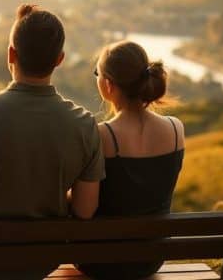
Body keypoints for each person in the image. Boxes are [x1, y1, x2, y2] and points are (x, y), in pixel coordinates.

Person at [0, 3, 103, 280]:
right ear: (59, 59)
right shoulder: (84, 124)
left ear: (11, 54)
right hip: (42, 261)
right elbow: (85, 209)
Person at [76, 40, 185, 280]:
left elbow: (85, 210)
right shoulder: (176, 130)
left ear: (107, 84)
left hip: (101, 262)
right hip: (151, 260)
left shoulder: (101, 136)